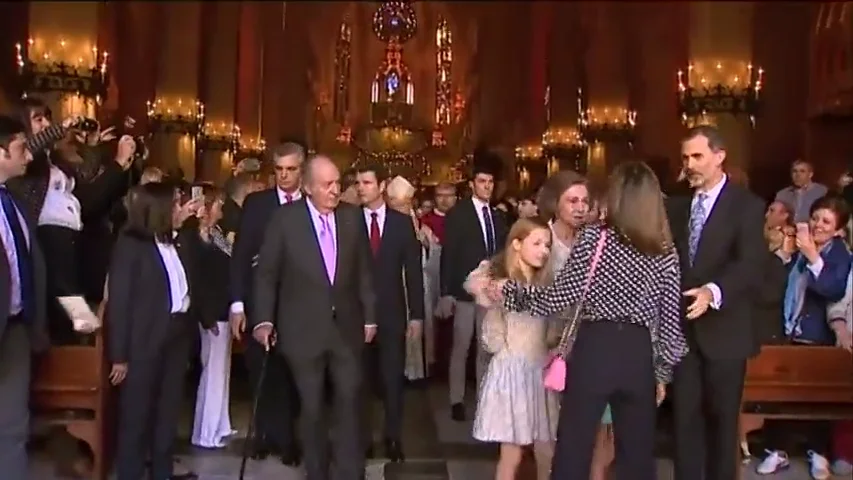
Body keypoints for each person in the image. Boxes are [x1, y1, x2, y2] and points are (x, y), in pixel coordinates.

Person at [477, 160, 687, 479]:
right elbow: (671, 323)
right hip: (638, 352)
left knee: (574, 448)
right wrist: (661, 373)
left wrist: (511, 292)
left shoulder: (595, 239)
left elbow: (557, 297)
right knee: (638, 455)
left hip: (595, 348)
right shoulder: (665, 250)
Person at [252, 154, 376, 480]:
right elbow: (266, 273)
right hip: (302, 332)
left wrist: (370, 317)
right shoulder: (285, 220)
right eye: (327, 184)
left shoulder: (352, 218)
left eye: (338, 183)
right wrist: (263, 320)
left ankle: (350, 473)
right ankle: (317, 472)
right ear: (307, 187)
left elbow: (364, 272)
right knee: (312, 408)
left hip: (346, 331)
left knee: (350, 404)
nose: (336, 190)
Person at [666, 126, 766, 480]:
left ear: (720, 156)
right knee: (684, 425)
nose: (690, 164)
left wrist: (713, 292)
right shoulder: (676, 206)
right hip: (684, 335)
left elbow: (752, 264)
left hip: (727, 335)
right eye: (685, 158)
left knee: (723, 426)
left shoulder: (747, 206)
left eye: (697, 157)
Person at [107, 183, 208, 480]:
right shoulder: (130, 244)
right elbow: (120, 302)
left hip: (176, 337)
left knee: (167, 418)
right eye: (177, 203)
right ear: (160, 208)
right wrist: (119, 355)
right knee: (136, 420)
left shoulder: (178, 242)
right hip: (143, 341)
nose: (182, 208)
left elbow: (191, 283)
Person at [229, 142, 304, 464]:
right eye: (279, 170)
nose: (284, 176)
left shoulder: (314, 204)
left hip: (300, 306)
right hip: (260, 302)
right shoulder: (257, 204)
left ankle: (287, 439)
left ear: (302, 169)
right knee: (261, 369)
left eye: (291, 170)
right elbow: (242, 255)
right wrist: (237, 305)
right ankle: (262, 435)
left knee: (292, 373)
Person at [466, 217, 557, 480]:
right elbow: (490, 337)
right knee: (512, 452)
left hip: (540, 370)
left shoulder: (546, 281)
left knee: (545, 448)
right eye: (537, 243)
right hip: (513, 371)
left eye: (547, 244)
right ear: (516, 244)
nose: (544, 250)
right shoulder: (501, 283)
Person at [355, 165, 424, 462]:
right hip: (356, 315)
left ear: (381, 185)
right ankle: (363, 438)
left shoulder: (400, 223)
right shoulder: (348, 221)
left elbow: (413, 273)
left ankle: (393, 437)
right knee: (360, 381)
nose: (360, 188)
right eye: (357, 183)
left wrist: (417, 315)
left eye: (366, 182)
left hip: (393, 313)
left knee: (392, 379)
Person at [439, 159, 508, 421]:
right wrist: (447, 291)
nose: (487, 187)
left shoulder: (498, 215)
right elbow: (450, 252)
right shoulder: (459, 214)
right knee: (461, 346)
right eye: (482, 182)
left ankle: (483, 399)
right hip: (465, 291)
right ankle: (456, 399)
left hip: (491, 292)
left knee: (485, 346)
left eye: (490, 182)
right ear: (472, 185)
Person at [0, 114, 48, 480]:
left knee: (14, 426)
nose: (27, 156)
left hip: (15, 327)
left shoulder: (15, 199)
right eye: (20, 149)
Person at [188, 184, 237, 448]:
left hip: (224, 306)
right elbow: (198, 281)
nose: (221, 209)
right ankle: (206, 433)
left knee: (222, 370)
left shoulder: (216, 234)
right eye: (218, 204)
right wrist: (206, 315)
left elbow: (231, 259)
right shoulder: (197, 238)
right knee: (213, 371)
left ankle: (220, 424)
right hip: (212, 311)